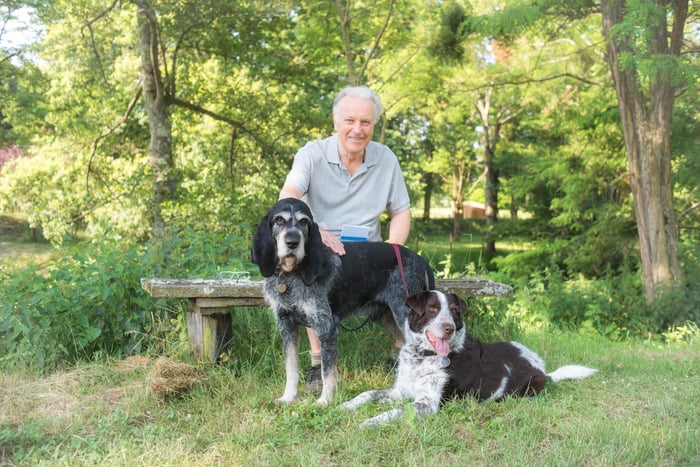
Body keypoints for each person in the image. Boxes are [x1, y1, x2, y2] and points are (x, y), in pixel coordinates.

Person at [278, 85, 411, 394]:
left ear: (374, 125)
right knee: (311, 274)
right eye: (350, 120)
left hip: (366, 254)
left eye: (366, 122)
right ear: (336, 121)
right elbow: (289, 196)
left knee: (400, 277)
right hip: (319, 249)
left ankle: (404, 348)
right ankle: (318, 363)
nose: (357, 129)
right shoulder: (311, 154)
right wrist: (315, 229)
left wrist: (394, 253)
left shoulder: (386, 158)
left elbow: (401, 212)